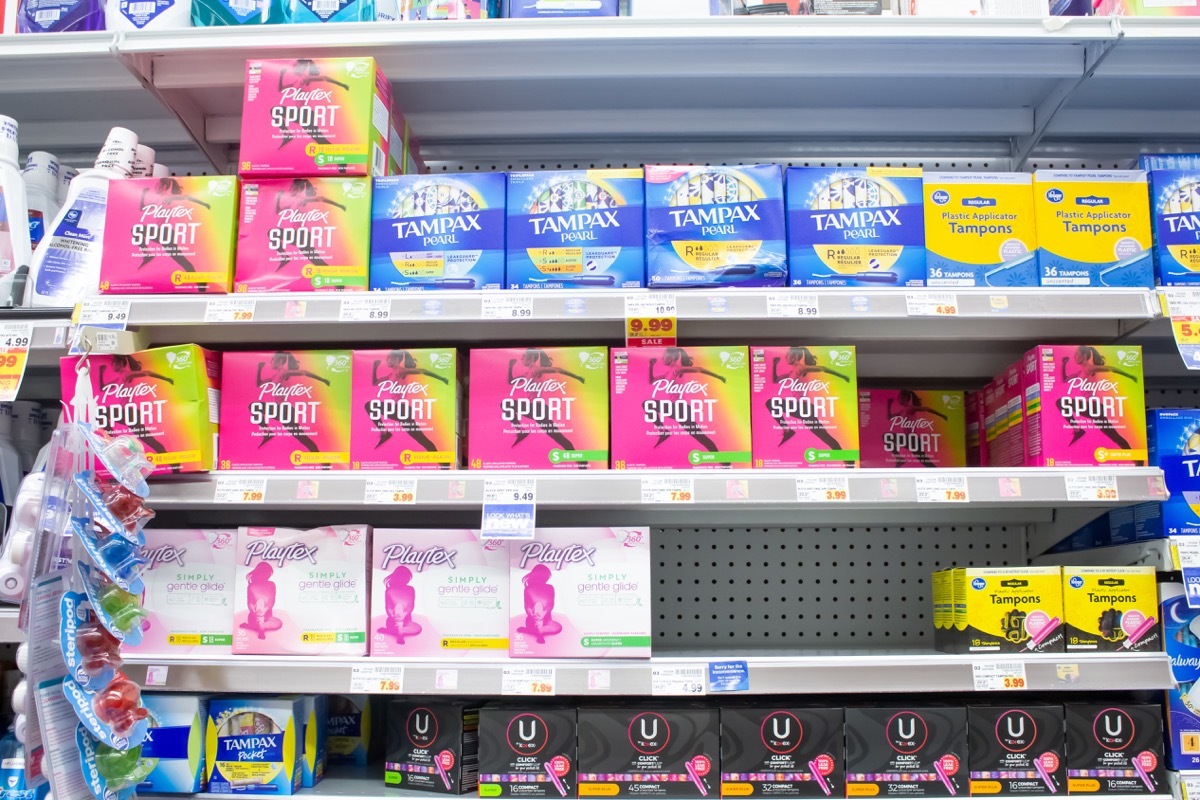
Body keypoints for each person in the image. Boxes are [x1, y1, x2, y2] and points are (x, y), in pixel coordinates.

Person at [648, 347, 724, 453]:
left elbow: (699, 369)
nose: (662, 358)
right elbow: (651, 381)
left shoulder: (677, 369)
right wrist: (651, 366)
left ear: (671, 357)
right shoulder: (667, 374)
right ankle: (663, 431)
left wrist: (719, 376)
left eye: (664, 355)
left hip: (681, 408)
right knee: (648, 405)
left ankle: (724, 461)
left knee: (700, 437)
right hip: (674, 408)